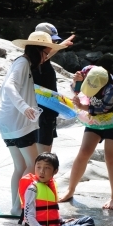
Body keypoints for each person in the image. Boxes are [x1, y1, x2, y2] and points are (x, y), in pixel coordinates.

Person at [0, 32, 62, 215]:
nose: (46, 58)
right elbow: (9, 86)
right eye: (45, 53)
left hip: (7, 124)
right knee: (34, 165)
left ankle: (15, 207)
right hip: (18, 124)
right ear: (37, 51)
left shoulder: (23, 62)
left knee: (20, 166)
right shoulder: (23, 63)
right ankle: (22, 206)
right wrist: (24, 106)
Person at [58, 66, 113, 210]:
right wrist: (76, 81)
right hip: (93, 119)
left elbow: (102, 110)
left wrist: (82, 107)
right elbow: (78, 91)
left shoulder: (111, 88)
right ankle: (70, 190)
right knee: (84, 152)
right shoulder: (88, 70)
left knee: (110, 157)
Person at [20, 152, 96, 226]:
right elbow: (28, 217)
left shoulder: (50, 186)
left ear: (55, 171)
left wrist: (62, 221)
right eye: (38, 167)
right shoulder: (32, 189)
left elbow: (50, 212)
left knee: (89, 220)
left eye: (47, 168)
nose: (41, 171)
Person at [32, 22, 75, 154]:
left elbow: (46, 56)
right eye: (51, 41)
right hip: (42, 112)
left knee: (44, 151)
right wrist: (60, 47)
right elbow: (41, 59)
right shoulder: (34, 59)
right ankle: (40, 174)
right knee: (43, 154)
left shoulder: (40, 57)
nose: (52, 46)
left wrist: (59, 47)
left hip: (47, 111)